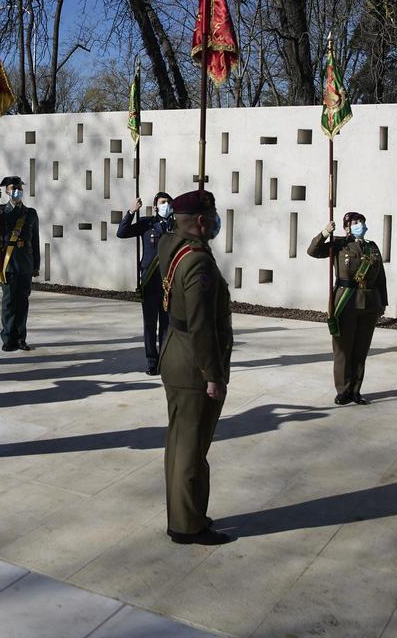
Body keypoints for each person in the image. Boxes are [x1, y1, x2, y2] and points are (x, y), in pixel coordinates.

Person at [156, 189, 234, 546]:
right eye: (213, 215)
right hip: (193, 363)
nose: (217, 220)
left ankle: (182, 514)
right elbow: (203, 325)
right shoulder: (199, 261)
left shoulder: (171, 244)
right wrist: (213, 375)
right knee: (192, 448)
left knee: (178, 442)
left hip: (174, 350)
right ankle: (189, 525)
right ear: (201, 222)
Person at [307, 211, 388, 405]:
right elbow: (313, 251)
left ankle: (355, 390)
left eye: (362, 221)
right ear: (347, 227)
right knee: (343, 349)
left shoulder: (372, 247)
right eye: (355, 222)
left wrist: (383, 302)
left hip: (369, 303)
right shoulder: (340, 244)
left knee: (361, 350)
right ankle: (343, 390)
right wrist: (325, 233)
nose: (360, 225)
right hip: (346, 303)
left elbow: (381, 278)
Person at [0, 175, 40, 351]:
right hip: (8, 263)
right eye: (13, 188)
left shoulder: (31, 213)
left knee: (23, 302)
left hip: (26, 263)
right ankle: (8, 337)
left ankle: (21, 338)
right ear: (6, 191)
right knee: (9, 303)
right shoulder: (0, 210)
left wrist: (36, 265)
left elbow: (35, 240)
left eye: (19, 187)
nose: (16, 191)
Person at [116, 191, 173, 375]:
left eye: (169, 202)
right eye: (163, 202)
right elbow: (122, 232)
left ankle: (165, 359)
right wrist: (131, 212)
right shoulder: (148, 223)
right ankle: (152, 361)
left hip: (169, 284)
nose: (167, 205)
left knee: (166, 325)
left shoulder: (176, 226)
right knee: (150, 324)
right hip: (149, 282)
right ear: (156, 206)